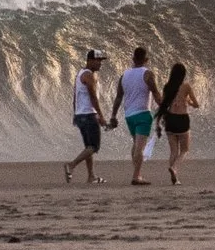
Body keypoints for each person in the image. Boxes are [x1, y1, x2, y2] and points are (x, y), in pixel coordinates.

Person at [112, 46, 160, 185]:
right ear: (146, 60)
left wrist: (113, 116)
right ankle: (136, 176)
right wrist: (164, 109)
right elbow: (156, 93)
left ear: (133, 59)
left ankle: (136, 172)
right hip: (143, 114)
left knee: (136, 144)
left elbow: (118, 97)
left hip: (129, 116)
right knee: (140, 147)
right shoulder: (147, 74)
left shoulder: (124, 75)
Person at [65, 48, 114, 183]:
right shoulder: (88, 75)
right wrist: (101, 116)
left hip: (81, 115)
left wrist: (75, 113)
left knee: (88, 147)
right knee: (94, 146)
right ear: (90, 60)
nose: (100, 64)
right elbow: (93, 97)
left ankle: (91, 176)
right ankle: (71, 165)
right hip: (88, 115)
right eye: (97, 60)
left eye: (101, 61)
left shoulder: (80, 73)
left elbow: (75, 96)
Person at [155, 61, 200, 184]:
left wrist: (157, 123)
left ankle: (174, 179)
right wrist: (188, 101)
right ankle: (174, 168)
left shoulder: (167, 86)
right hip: (182, 120)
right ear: (183, 74)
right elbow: (196, 105)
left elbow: (162, 106)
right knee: (185, 150)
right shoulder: (186, 86)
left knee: (173, 151)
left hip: (170, 120)